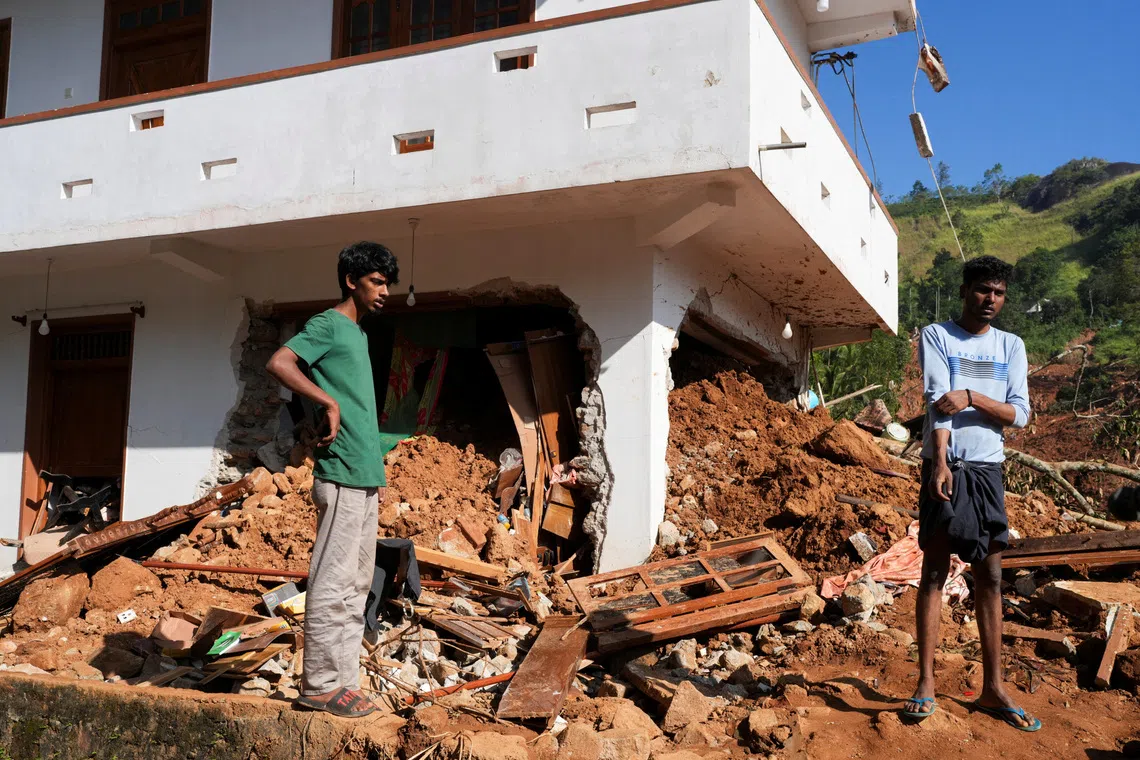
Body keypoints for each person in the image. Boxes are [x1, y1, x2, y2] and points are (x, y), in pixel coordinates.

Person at [902, 255, 1040, 731]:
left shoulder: (1012, 346)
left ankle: (993, 688)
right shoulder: (937, 335)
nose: (991, 300)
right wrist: (939, 462)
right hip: (949, 465)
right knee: (935, 569)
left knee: (992, 575)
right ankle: (925, 682)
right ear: (964, 289)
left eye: (999, 293)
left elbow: (1020, 414)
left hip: (988, 468)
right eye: (983, 290)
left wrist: (974, 398)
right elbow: (938, 402)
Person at [266, 241, 398, 718]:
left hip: (363, 473)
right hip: (340, 471)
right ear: (351, 281)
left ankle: (344, 681)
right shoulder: (328, 324)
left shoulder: (358, 335)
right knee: (333, 578)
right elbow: (280, 362)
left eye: (388, 284)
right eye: (377, 282)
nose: (385, 292)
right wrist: (327, 403)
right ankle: (319, 684)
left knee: (358, 582)